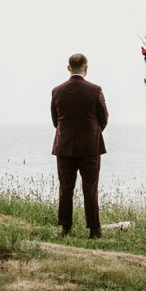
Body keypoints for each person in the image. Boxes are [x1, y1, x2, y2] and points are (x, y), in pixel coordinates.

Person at [50, 53, 108, 239]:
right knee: (90, 188)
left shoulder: (57, 91)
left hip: (64, 146)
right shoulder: (95, 90)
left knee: (65, 188)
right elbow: (103, 118)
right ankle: (94, 230)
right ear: (86, 68)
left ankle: (65, 229)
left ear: (68, 68)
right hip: (90, 147)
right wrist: (93, 132)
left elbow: (55, 120)